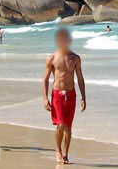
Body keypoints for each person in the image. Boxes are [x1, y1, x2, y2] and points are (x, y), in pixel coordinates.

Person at [42, 28, 86, 165]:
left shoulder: (75, 58)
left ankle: (66, 154)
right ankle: (58, 151)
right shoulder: (52, 58)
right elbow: (45, 79)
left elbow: (80, 78)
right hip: (57, 95)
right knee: (60, 124)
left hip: (71, 95)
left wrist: (83, 97)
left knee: (68, 127)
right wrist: (45, 98)